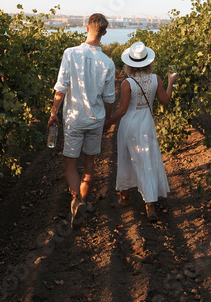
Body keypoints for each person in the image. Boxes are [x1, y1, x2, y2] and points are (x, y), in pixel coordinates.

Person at [48, 13, 115, 229]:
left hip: (74, 118)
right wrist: (107, 121)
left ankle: (75, 199)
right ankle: (83, 202)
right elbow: (109, 99)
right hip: (95, 120)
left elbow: (61, 87)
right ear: (104, 33)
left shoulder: (70, 54)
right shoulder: (108, 63)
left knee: (70, 163)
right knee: (89, 165)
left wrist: (53, 112)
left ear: (87, 29)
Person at [103, 41, 177, 223]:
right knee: (148, 161)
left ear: (129, 63)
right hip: (147, 124)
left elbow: (122, 110)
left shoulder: (127, 83)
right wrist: (171, 82)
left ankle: (124, 198)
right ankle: (150, 205)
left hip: (130, 125)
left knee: (127, 159)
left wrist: (107, 123)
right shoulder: (156, 79)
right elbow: (166, 100)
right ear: (148, 62)